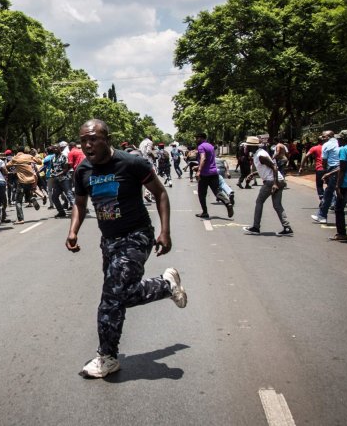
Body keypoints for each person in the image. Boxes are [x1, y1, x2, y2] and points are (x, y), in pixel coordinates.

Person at [66, 119, 187, 379]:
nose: (87, 144)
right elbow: (79, 202)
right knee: (120, 295)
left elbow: (160, 193)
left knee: (111, 297)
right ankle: (166, 286)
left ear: (106, 139)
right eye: (83, 139)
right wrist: (73, 230)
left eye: (93, 138)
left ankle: (107, 356)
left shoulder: (131, 163)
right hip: (108, 241)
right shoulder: (83, 170)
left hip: (137, 236)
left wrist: (165, 231)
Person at [242, 136, 293, 236]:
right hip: (278, 180)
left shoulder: (261, 155)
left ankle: (256, 227)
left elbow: (274, 167)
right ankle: (287, 227)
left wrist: (274, 183)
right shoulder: (259, 154)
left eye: (247, 146)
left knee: (259, 201)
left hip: (271, 181)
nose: (246, 147)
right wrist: (253, 174)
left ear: (252, 146)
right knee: (277, 205)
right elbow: (265, 169)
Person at [193, 132, 233, 219]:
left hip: (204, 174)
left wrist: (199, 171)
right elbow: (209, 160)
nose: (196, 140)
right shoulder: (210, 146)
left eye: (197, 138)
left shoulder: (201, 147)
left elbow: (203, 158)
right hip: (214, 173)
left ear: (202, 138)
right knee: (217, 191)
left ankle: (205, 212)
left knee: (201, 194)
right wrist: (198, 165)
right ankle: (227, 203)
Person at [5, 146, 43, 224]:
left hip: (22, 181)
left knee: (18, 201)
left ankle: (20, 219)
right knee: (28, 192)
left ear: (17, 151)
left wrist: (15, 167)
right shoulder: (29, 156)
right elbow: (40, 162)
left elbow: (7, 165)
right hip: (31, 180)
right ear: (24, 151)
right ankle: (31, 198)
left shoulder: (15, 158)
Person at [311, 131, 340, 224]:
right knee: (341, 190)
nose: (322, 138)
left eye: (324, 136)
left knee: (328, 192)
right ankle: (322, 215)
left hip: (332, 169)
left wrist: (326, 173)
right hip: (340, 168)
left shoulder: (327, 145)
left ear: (329, 136)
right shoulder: (339, 143)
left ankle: (322, 216)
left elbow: (324, 161)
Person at [50, 144, 75, 218]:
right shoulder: (53, 158)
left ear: (59, 148)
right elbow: (53, 168)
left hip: (65, 179)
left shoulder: (64, 157)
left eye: (56, 148)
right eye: (53, 149)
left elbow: (66, 169)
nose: (54, 150)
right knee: (54, 197)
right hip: (57, 180)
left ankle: (77, 212)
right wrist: (52, 173)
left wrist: (57, 174)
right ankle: (61, 212)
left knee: (69, 195)